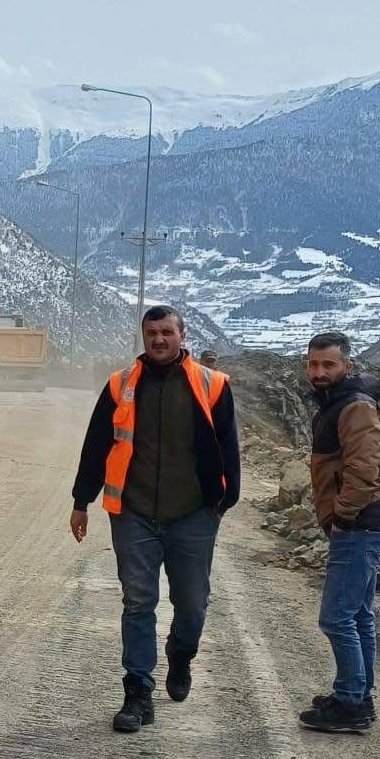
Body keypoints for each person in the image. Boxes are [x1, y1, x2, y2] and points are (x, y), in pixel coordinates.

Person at [69, 306, 241, 732]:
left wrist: (224, 501)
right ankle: (137, 693)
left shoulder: (213, 384)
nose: (159, 339)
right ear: (143, 337)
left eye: (167, 332)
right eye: (152, 333)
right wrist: (81, 500)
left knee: (192, 604)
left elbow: (228, 447)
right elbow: (96, 445)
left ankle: (181, 654)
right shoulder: (121, 385)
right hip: (135, 513)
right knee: (138, 601)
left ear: (182, 335)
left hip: (193, 515)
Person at [300, 331, 380, 734]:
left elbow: (364, 466)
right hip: (366, 524)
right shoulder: (339, 402)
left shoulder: (355, 406)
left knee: (337, 618)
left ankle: (351, 702)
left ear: (347, 367)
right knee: (358, 616)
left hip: (359, 526)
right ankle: (358, 694)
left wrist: (342, 515)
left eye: (328, 364)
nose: (318, 372)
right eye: (313, 364)